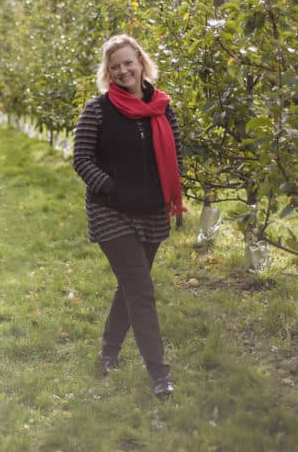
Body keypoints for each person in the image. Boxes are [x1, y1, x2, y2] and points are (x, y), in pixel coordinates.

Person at [72, 33, 186, 399]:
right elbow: (82, 160)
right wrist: (111, 187)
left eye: (128, 63)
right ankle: (159, 374)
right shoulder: (98, 110)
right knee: (141, 290)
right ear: (108, 72)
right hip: (110, 212)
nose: (123, 71)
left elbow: (176, 155)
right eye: (115, 66)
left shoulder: (163, 107)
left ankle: (109, 352)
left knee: (130, 286)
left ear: (141, 62)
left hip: (151, 212)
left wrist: (167, 193)